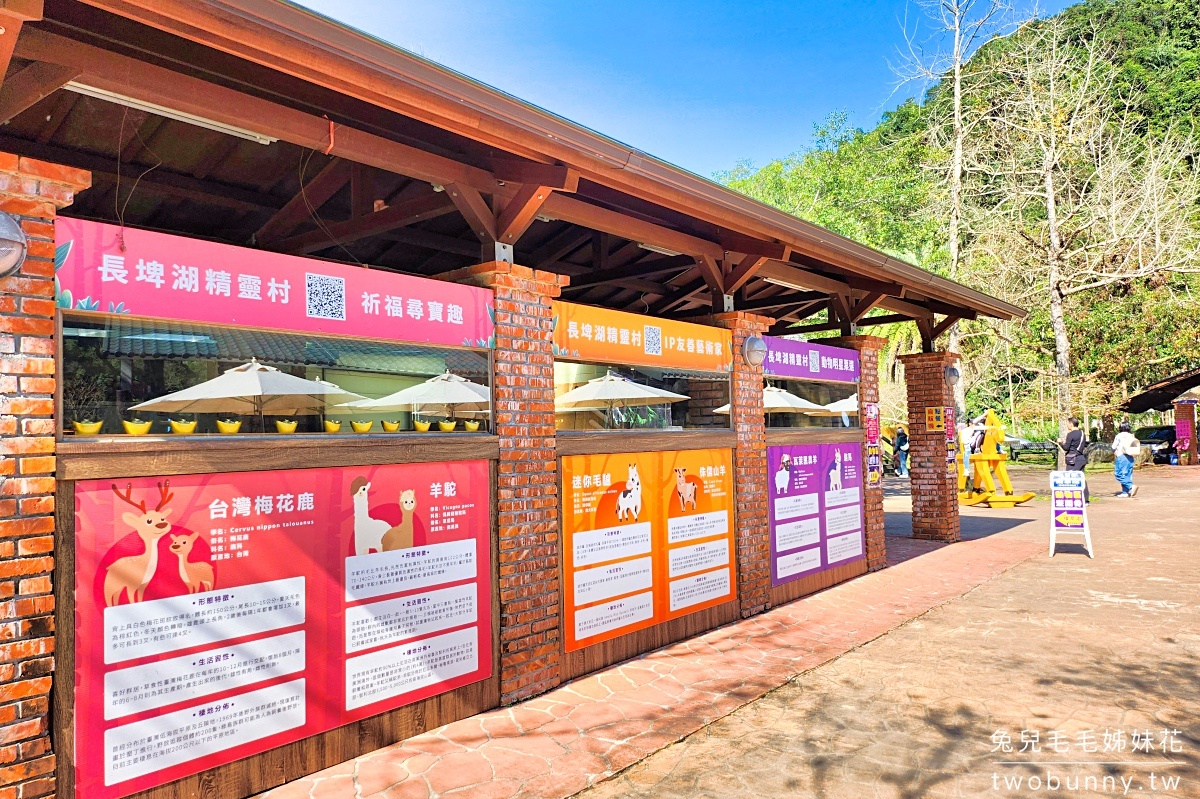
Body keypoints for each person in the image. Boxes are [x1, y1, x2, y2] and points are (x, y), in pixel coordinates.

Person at [1058, 417, 1090, 502]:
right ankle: (1085, 499)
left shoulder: (1071, 434)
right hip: (1081, 458)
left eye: (1067, 423)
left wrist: (1060, 442)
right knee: (1081, 478)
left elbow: (1066, 447)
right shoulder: (1082, 433)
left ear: (1071, 424)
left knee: (1070, 478)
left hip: (1073, 460)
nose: (1067, 425)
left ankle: (1070, 498)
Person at [1111, 421, 1140, 497]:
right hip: (1130, 457)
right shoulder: (1131, 435)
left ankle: (1131, 486)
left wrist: (1114, 450)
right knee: (1127, 475)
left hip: (1121, 456)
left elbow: (1113, 446)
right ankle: (1125, 492)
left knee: (1118, 474)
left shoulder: (1119, 436)